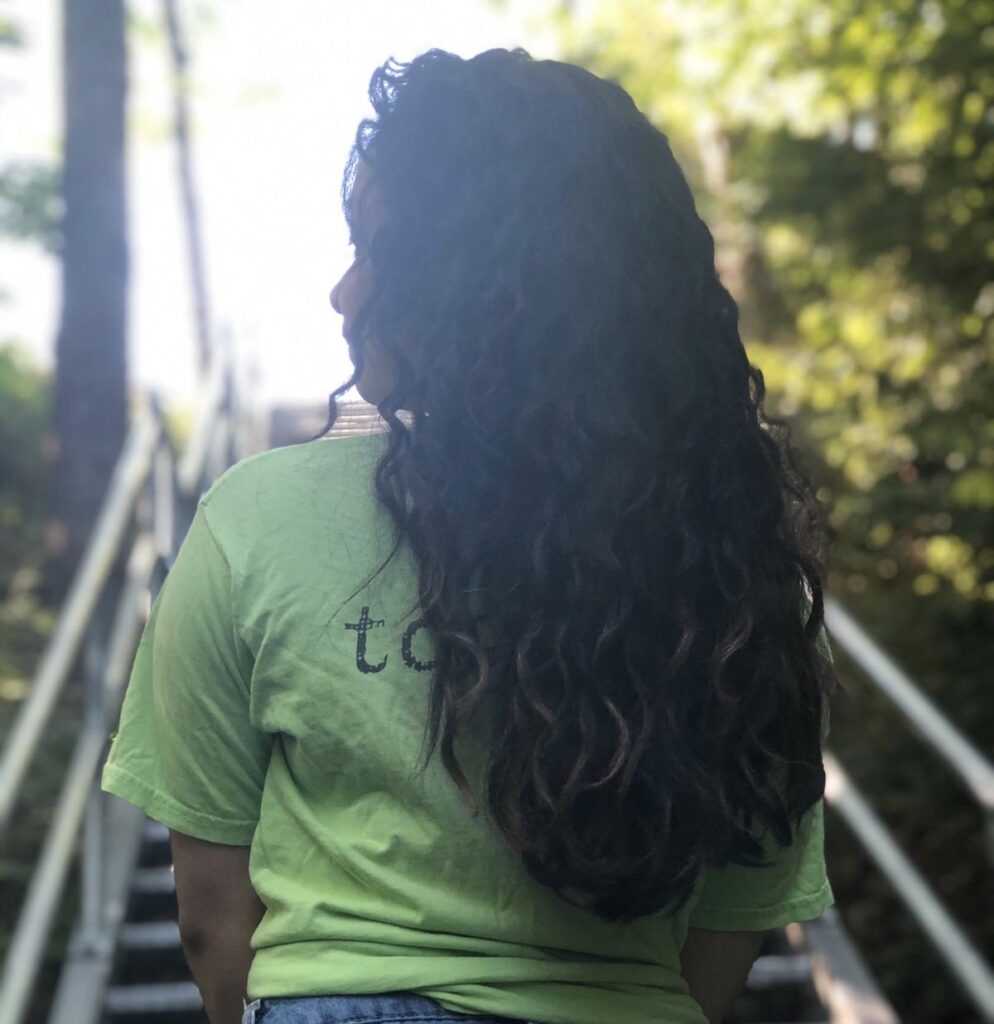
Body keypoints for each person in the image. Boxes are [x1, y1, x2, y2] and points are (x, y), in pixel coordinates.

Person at [100, 46, 840, 1024]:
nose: (342, 293)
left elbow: (208, 908)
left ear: (480, 285)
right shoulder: (738, 571)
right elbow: (737, 917)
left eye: (376, 250)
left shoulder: (258, 517)